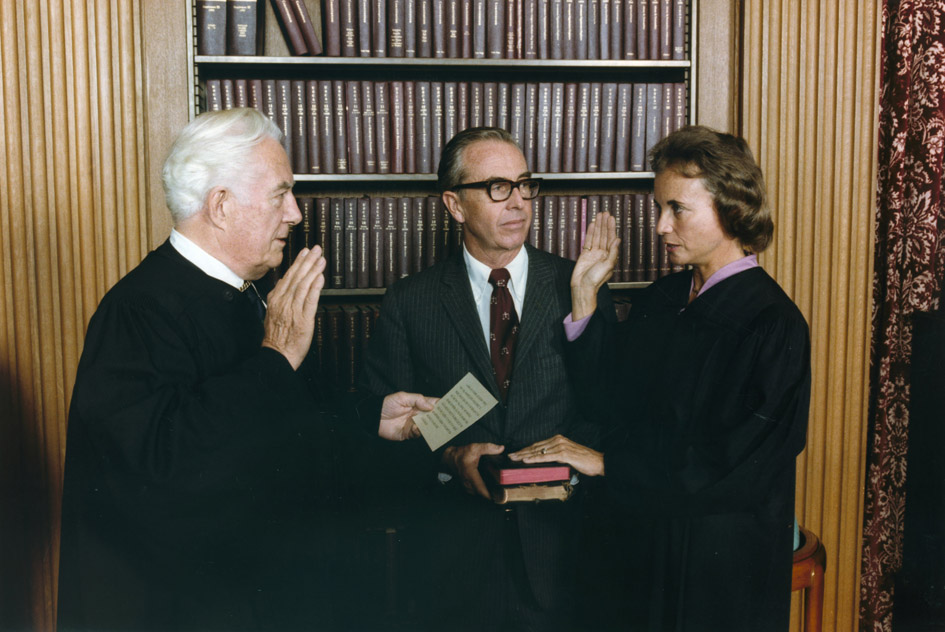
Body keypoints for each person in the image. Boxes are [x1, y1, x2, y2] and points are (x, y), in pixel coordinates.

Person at [57, 108, 436, 631]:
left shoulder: (245, 295)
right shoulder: (139, 311)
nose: (296, 214)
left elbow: (279, 429)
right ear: (221, 206)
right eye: (281, 194)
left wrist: (369, 416)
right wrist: (275, 357)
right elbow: (165, 472)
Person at [509, 125, 811, 631]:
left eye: (677, 209)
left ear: (731, 209)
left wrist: (608, 464)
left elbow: (737, 465)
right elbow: (607, 402)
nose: (660, 227)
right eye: (659, 208)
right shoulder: (664, 299)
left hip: (716, 564)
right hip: (642, 539)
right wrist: (585, 295)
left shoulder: (772, 324)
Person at [358, 127, 612, 630]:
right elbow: (381, 437)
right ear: (455, 205)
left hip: (563, 555)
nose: (518, 201)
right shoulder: (410, 302)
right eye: (498, 187)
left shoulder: (578, 283)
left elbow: (608, 409)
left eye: (524, 184)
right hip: (453, 566)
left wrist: (586, 303)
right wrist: (451, 457)